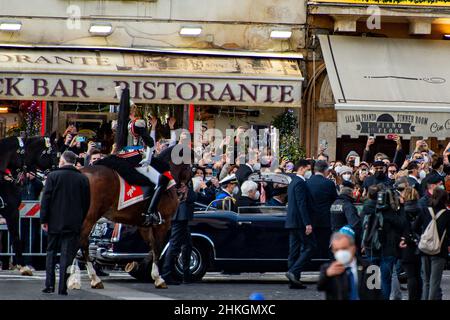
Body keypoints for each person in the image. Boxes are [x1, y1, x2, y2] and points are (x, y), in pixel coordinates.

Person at [40, 151, 90, 295]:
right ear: (74, 161)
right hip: (73, 222)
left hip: (54, 221)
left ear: (62, 160)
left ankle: (49, 285)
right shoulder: (82, 179)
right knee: (66, 255)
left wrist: (44, 219)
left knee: (51, 252)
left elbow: (46, 200)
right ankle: (63, 287)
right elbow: (86, 202)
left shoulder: (53, 176)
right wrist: (81, 219)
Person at [360, 184, 406, 300]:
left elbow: (361, 226)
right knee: (386, 278)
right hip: (388, 247)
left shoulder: (366, 208)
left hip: (371, 246)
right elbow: (401, 223)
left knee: (372, 276)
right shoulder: (389, 210)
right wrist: (400, 206)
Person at [317, 231, 382, 300]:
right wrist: (327, 274)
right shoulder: (328, 268)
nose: (340, 252)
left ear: (353, 248)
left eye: (344, 248)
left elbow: (376, 294)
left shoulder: (370, 268)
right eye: (336, 250)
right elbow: (320, 287)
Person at [413, 188, 450, 300]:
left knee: (426, 281)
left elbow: (414, 227)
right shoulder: (447, 214)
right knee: (435, 282)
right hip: (439, 250)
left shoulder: (425, 210)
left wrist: (423, 236)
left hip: (424, 248)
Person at [285, 159, 316, 289]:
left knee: (294, 251)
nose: (309, 172)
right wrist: (307, 223)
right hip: (299, 222)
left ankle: (294, 280)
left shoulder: (292, 182)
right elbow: (301, 204)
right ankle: (293, 272)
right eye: (308, 169)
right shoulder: (300, 183)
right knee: (310, 247)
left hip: (292, 222)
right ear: (302, 168)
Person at [161, 181, 196, 285]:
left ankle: (186, 274)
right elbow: (190, 197)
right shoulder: (182, 178)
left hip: (181, 213)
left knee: (187, 245)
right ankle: (166, 274)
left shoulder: (180, 177)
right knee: (174, 244)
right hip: (181, 213)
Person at [307, 160, 338, 259]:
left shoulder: (306, 182)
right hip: (325, 219)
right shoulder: (329, 184)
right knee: (324, 245)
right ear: (325, 171)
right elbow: (335, 199)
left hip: (310, 219)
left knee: (311, 245)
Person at [399, 186, 422, 300]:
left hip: (407, 244)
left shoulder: (403, 211)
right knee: (418, 274)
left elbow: (402, 227)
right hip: (420, 243)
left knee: (410, 275)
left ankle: (412, 297)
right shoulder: (421, 209)